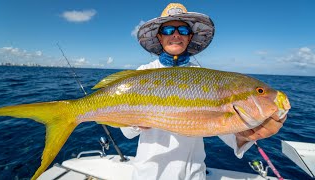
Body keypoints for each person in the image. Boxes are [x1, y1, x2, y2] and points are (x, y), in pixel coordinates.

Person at [121, 3, 287, 180]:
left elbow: (227, 130)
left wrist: (245, 135)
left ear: (190, 37)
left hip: (194, 174)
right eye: (169, 30)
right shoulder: (141, 73)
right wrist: (137, 121)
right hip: (149, 173)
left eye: (183, 31)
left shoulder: (205, 79)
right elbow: (127, 133)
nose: (176, 35)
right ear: (160, 38)